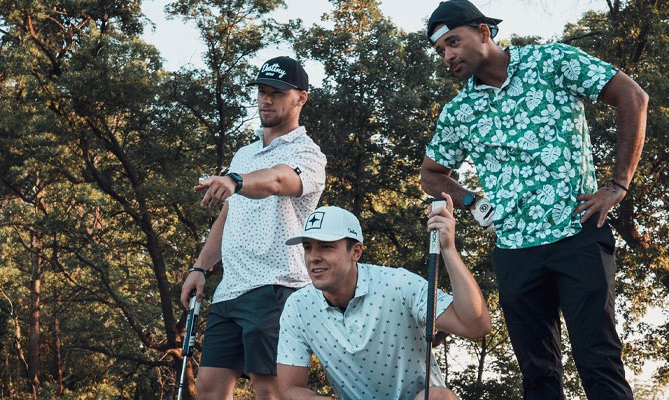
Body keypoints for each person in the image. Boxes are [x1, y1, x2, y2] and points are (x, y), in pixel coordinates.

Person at [421, 1, 648, 399]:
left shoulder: (551, 60)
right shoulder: (459, 112)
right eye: (441, 50)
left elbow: (633, 97)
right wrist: (472, 200)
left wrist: (618, 186)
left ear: (484, 32)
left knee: (598, 359)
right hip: (514, 250)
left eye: (453, 42)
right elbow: (431, 175)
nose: (448, 56)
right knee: (538, 375)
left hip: (578, 233)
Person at [180, 56, 327, 400]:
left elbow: (277, 180)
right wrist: (201, 267)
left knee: (269, 389)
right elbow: (228, 216)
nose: (266, 99)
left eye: (276, 92)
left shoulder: (308, 154)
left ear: (301, 98)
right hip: (231, 290)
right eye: (262, 91)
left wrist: (236, 179)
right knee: (209, 387)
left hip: (277, 288)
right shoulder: (243, 155)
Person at [276, 194, 491, 400]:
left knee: (439, 397)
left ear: (356, 252)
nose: (313, 257)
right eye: (307, 247)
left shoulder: (398, 284)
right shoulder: (298, 306)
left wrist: (448, 249)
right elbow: (290, 388)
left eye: (326, 247)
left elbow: (475, 325)